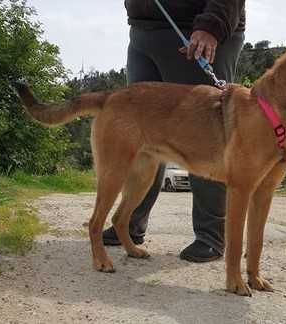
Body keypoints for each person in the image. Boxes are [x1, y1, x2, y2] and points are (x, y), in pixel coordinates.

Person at [102, 0, 246, 262]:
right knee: (143, 138)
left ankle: (210, 236)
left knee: (205, 138)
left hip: (197, 31)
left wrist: (212, 25)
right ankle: (129, 225)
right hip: (144, 29)